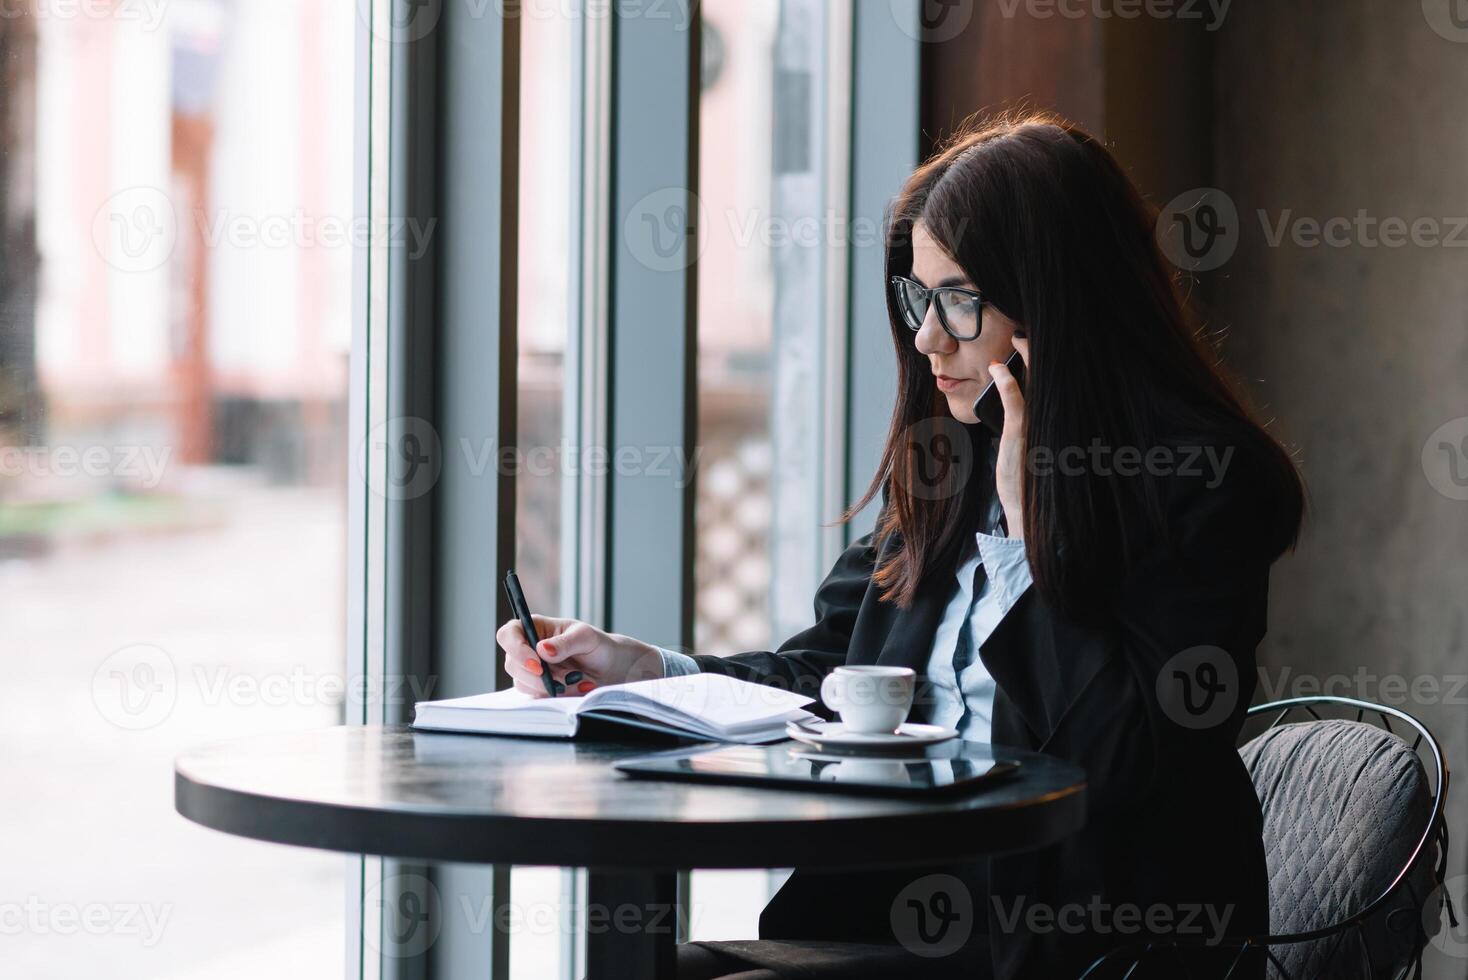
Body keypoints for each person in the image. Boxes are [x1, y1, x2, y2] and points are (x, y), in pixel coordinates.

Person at [496, 111, 1305, 979]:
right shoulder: (946, 464)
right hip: (891, 907)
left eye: (960, 300)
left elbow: (1119, 757)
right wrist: (648, 671)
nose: (926, 339)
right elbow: (833, 680)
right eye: (918, 298)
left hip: (1076, 938)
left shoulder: (1206, 483)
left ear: (1057, 302)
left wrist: (1035, 538)